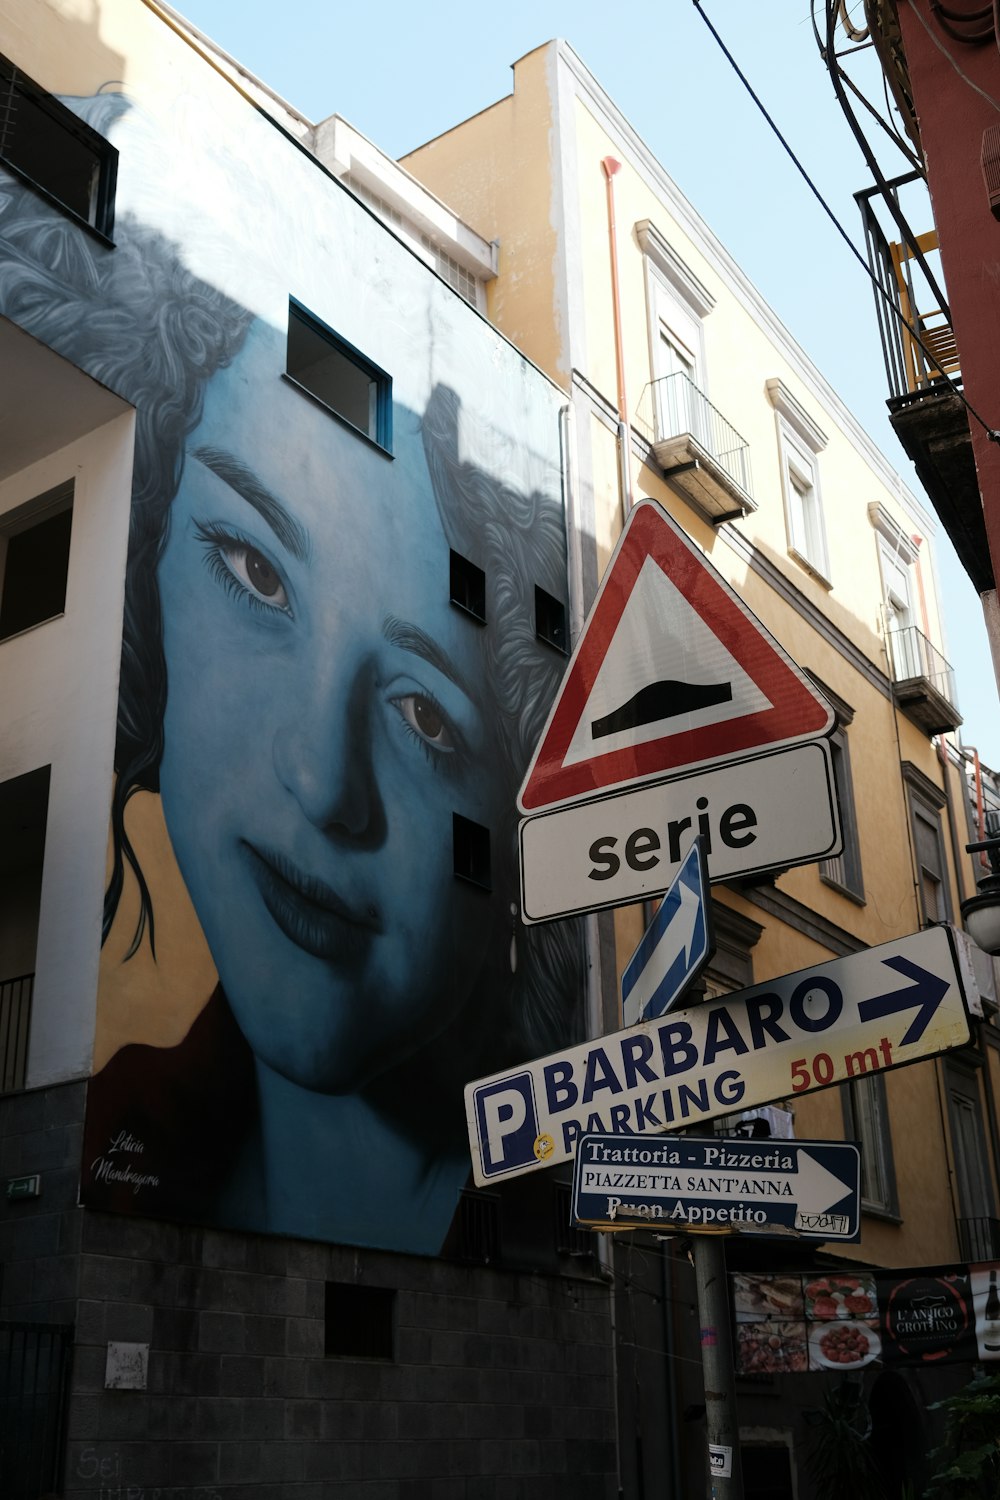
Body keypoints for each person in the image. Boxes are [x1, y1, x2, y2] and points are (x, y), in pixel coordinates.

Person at [0, 131, 583, 1254]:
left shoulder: (547, 1230)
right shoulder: (119, 1130)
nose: (323, 782)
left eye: (424, 715)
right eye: (255, 572)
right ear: (153, 569)